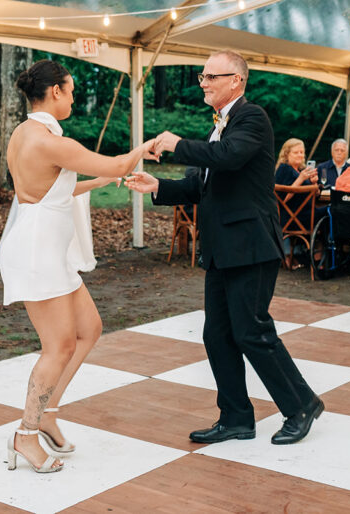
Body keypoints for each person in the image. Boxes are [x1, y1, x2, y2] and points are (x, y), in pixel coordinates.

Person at [126, 49, 322, 446]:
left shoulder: (251, 118)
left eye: (211, 76)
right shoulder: (219, 126)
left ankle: (301, 404)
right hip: (222, 248)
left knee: (252, 331)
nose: (204, 83)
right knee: (217, 335)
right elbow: (203, 186)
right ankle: (236, 417)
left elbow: (229, 159)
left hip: (250, 245)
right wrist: (159, 186)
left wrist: (178, 144)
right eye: (202, 76)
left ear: (236, 80)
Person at [0, 60, 157, 473]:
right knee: (59, 347)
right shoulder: (51, 141)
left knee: (90, 329)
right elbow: (119, 163)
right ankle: (26, 435)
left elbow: (53, 187)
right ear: (55, 92)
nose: (72, 98)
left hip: (48, 250)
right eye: (70, 91)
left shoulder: (24, 133)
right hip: (38, 254)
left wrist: (104, 182)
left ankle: (47, 412)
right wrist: (145, 148)